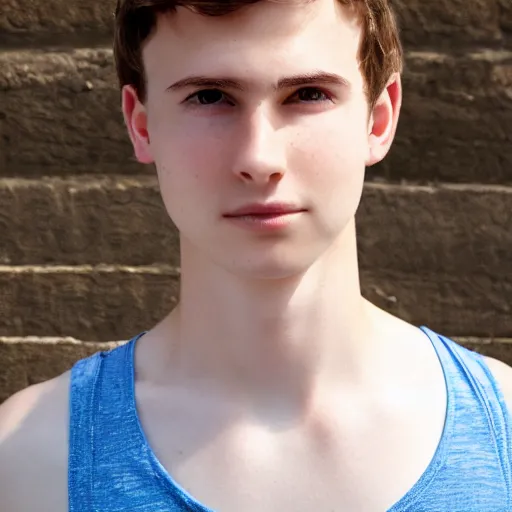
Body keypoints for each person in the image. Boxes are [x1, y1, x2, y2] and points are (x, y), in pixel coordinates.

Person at [1, 0, 511, 510]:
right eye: (210, 96)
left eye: (308, 94)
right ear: (141, 125)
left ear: (379, 118)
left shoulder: (504, 427)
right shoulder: (24, 458)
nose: (259, 159)